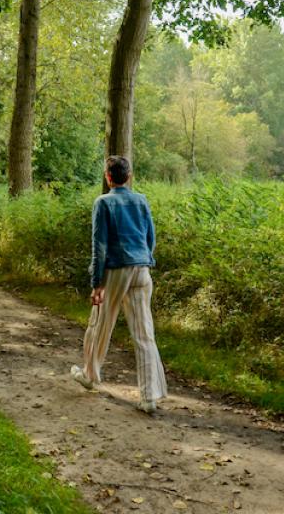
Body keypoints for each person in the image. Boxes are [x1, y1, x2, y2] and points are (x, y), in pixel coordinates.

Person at [70, 155, 167, 413]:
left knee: (100, 323)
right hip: (142, 269)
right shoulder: (141, 200)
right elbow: (150, 238)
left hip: (117, 270)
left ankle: (90, 375)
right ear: (130, 176)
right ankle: (150, 397)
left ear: (108, 176)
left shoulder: (103, 203)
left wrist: (96, 283)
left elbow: (99, 247)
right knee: (144, 332)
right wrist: (145, 259)